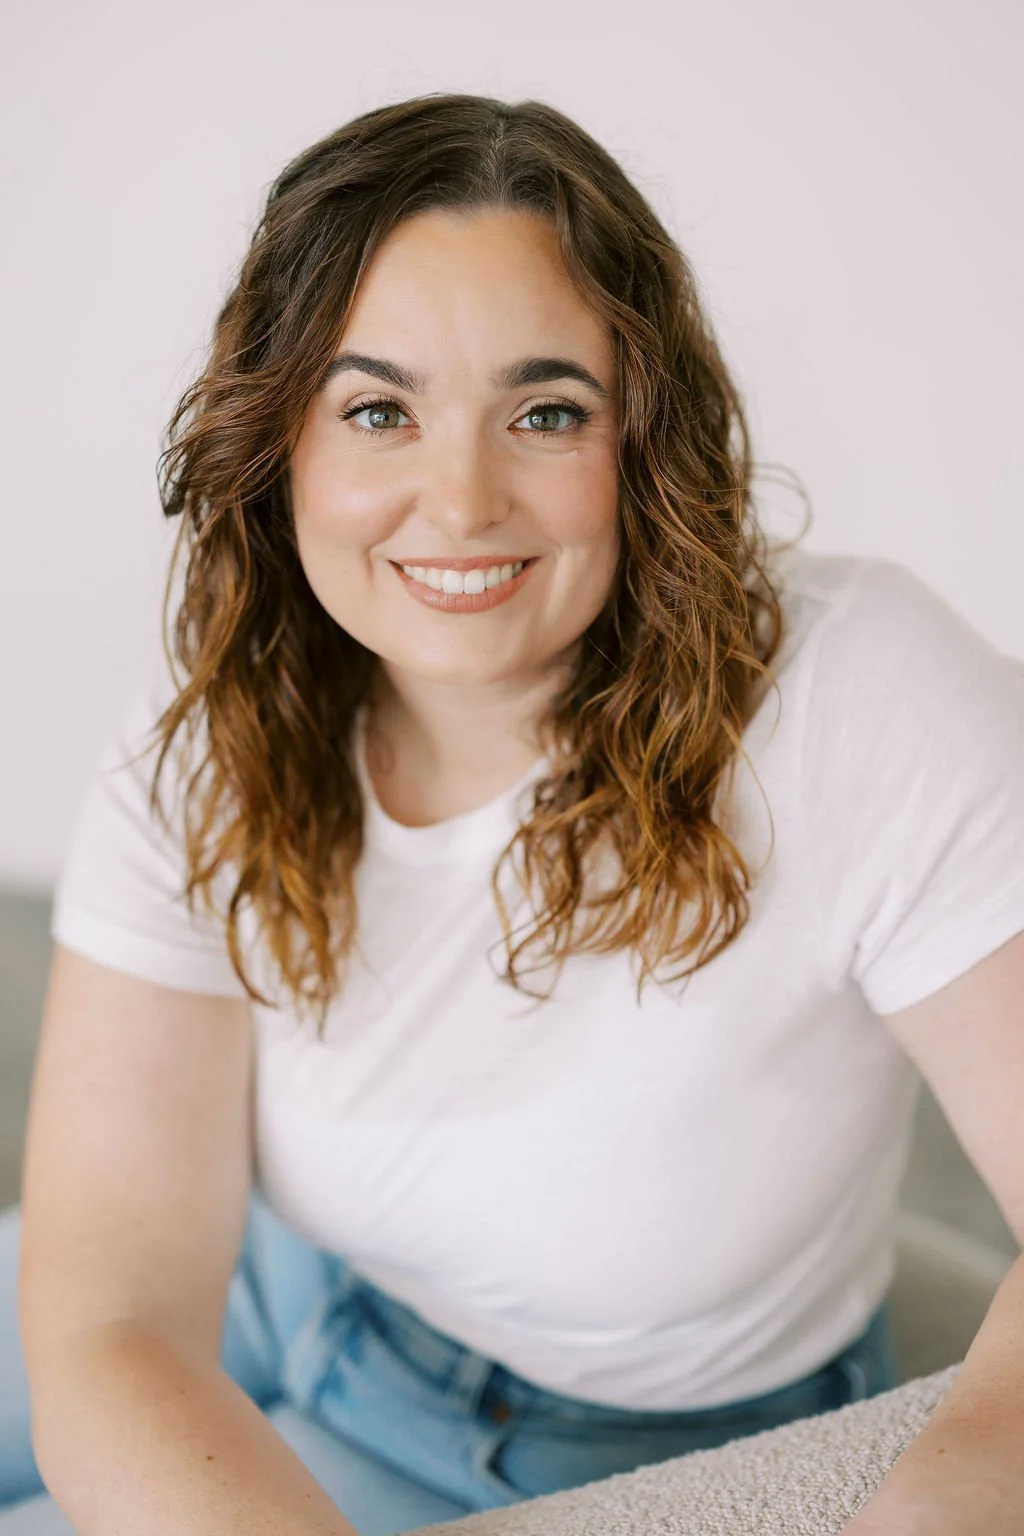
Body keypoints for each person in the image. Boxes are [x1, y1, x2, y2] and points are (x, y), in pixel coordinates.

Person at [3, 92, 1024, 1536]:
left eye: (546, 411)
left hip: (566, 1445)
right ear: (281, 445)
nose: (462, 498)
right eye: (379, 411)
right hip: (283, 1277)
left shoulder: (860, 693)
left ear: (644, 442)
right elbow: (114, 1306)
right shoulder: (220, 720)